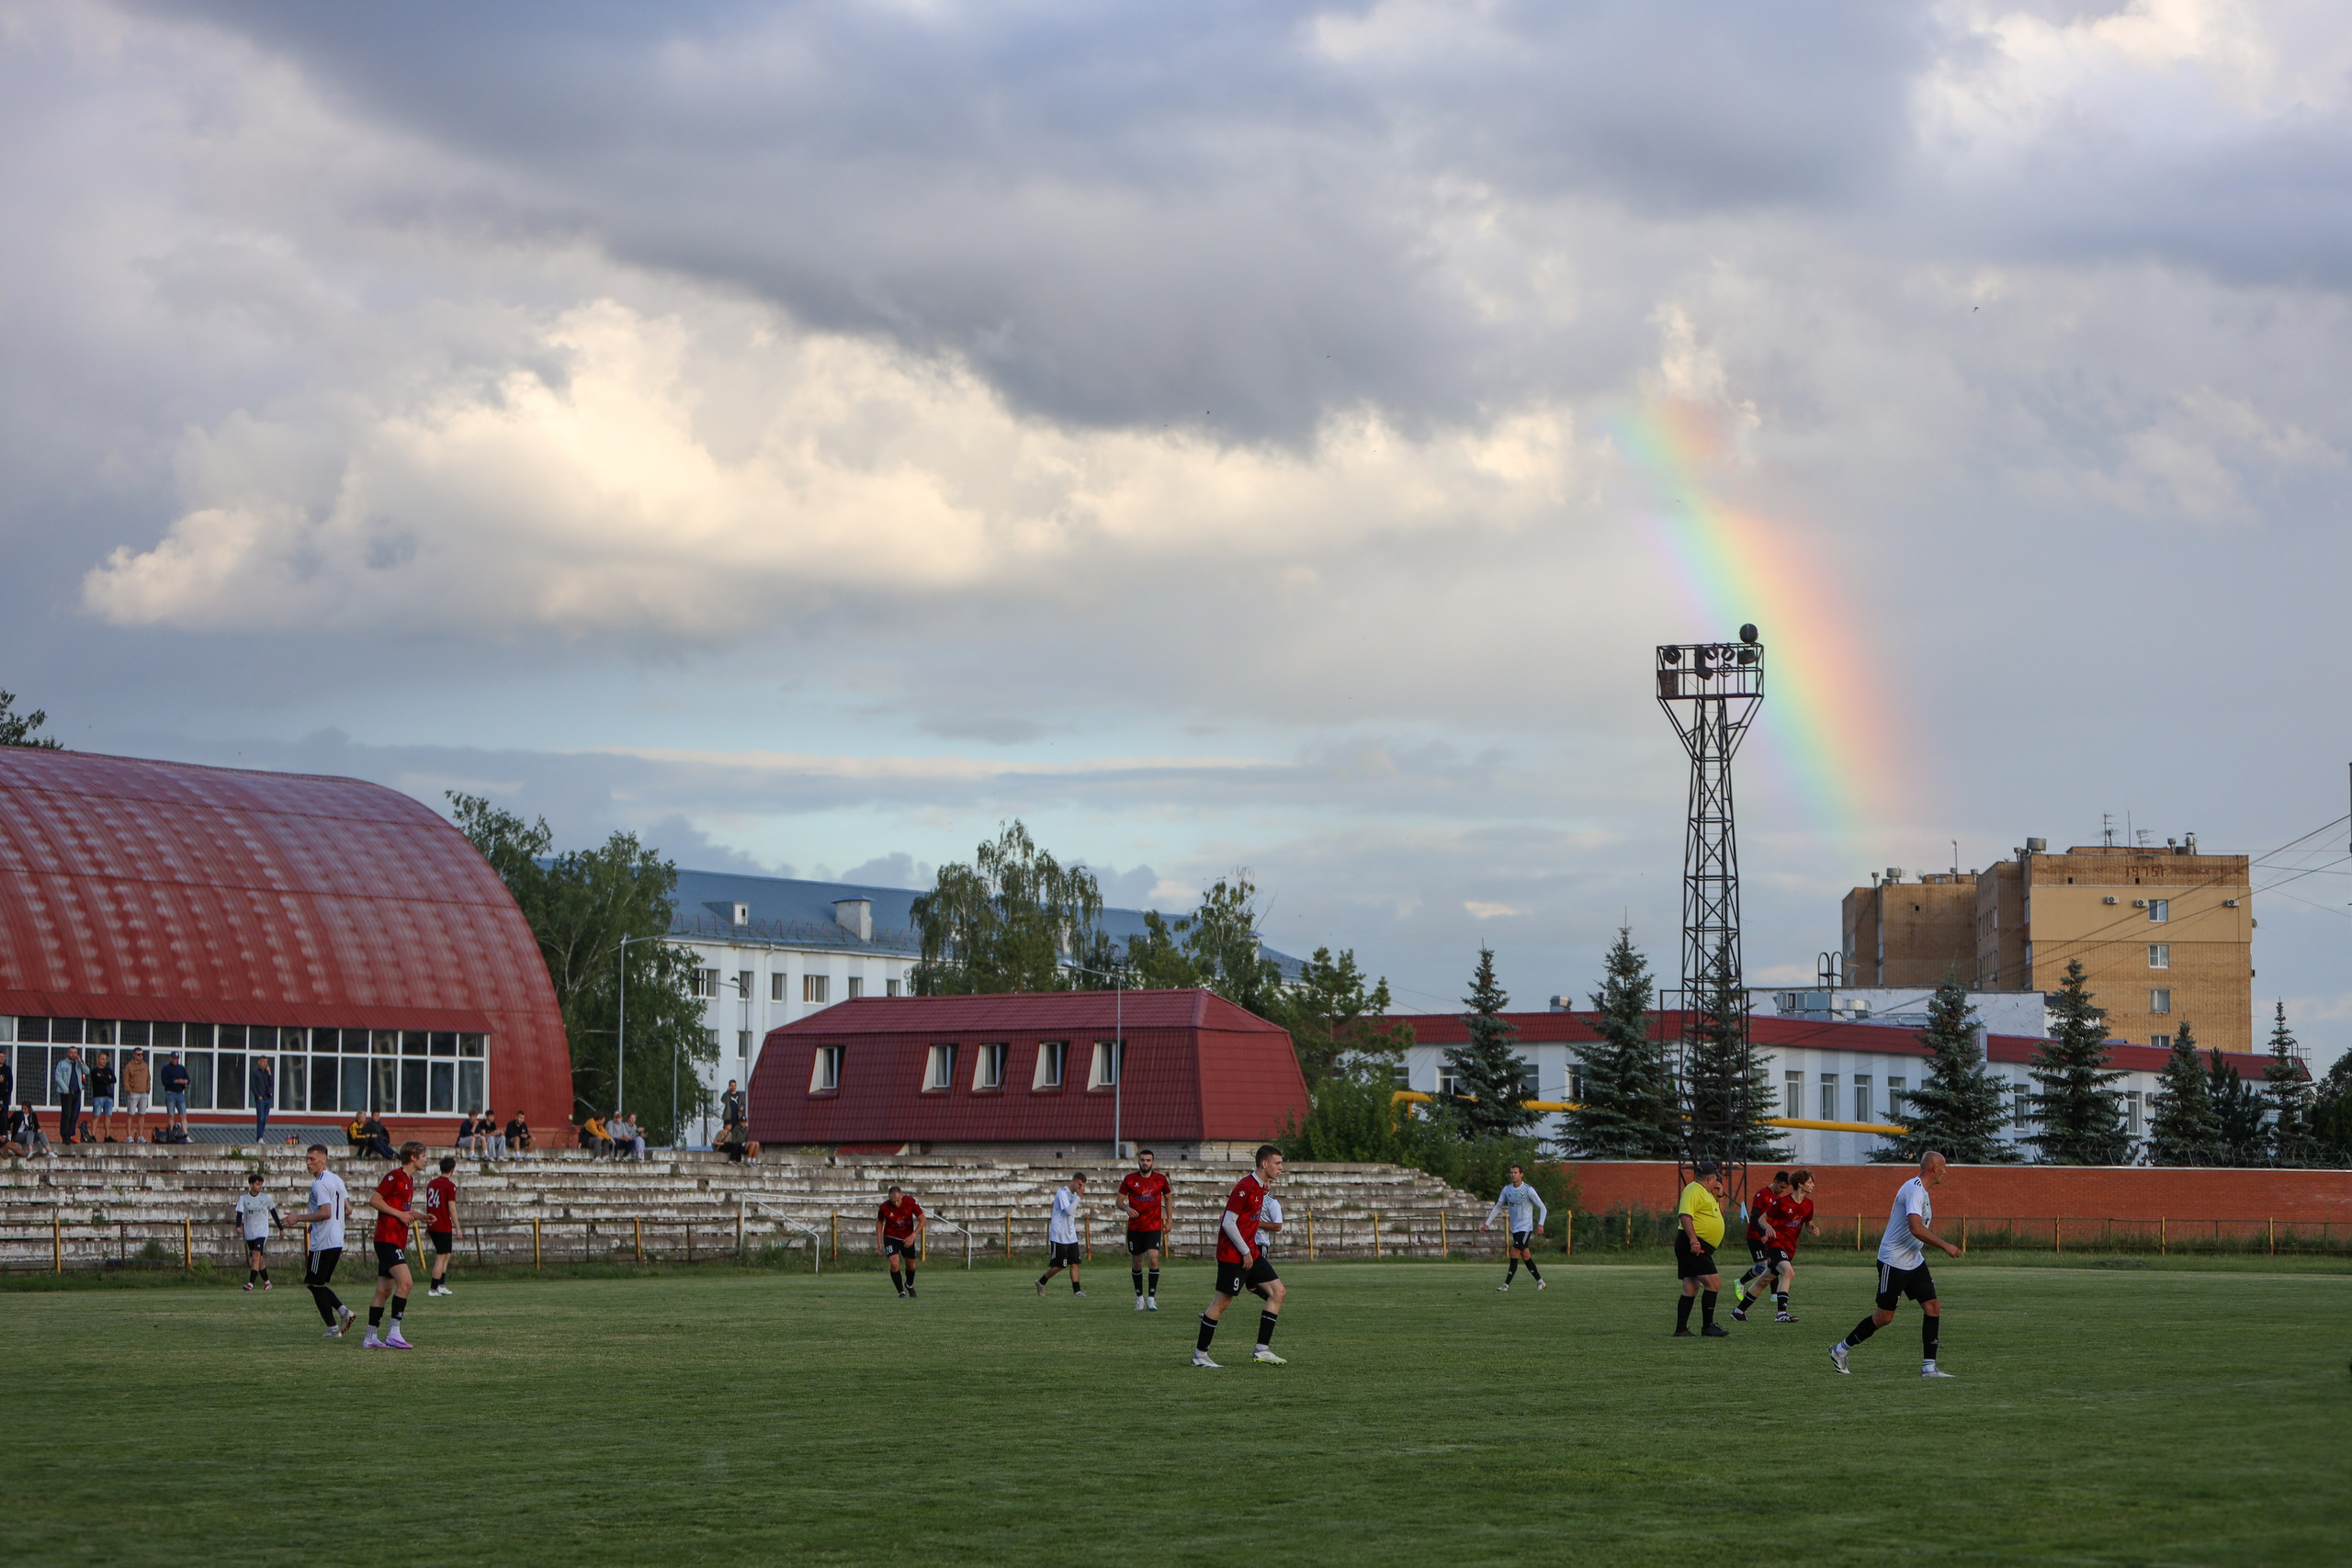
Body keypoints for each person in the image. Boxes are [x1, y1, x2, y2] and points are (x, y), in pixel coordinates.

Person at [1832, 1151, 1963, 1379]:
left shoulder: (1921, 1191)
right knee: (1884, 1317)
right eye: (1943, 1167)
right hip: (1893, 1262)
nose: (1945, 1171)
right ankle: (1840, 1349)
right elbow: (1915, 1227)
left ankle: (1929, 1368)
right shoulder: (1914, 1190)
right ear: (1933, 1168)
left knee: (1932, 1306)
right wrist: (1945, 1245)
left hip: (1913, 1260)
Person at [1194, 1143, 1287, 1367]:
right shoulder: (1244, 1187)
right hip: (1233, 1254)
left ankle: (1262, 1349)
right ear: (1264, 1164)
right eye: (1278, 1163)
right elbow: (1228, 1222)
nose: (1281, 1167)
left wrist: (1250, 1251)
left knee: (1278, 1292)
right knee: (1222, 1302)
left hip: (1251, 1253)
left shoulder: (1260, 1187)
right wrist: (1245, 1251)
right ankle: (1200, 1355)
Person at [362, 1141, 429, 1349]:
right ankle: (394, 1333)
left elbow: (402, 1209)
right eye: (424, 1156)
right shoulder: (395, 1177)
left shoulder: (409, 1181)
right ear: (413, 1158)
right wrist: (400, 1214)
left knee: (384, 1290)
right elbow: (375, 1200)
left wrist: (418, 1216)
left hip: (394, 1240)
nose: (426, 1160)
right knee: (406, 1283)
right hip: (387, 1240)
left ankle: (371, 1337)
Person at [288, 1144, 357, 1339]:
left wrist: (299, 1218)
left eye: (312, 1159)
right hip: (336, 1240)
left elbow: (326, 1212)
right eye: (307, 1159)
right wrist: (331, 1222)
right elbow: (348, 1209)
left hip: (323, 1242)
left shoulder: (319, 1183)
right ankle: (343, 1312)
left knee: (314, 1284)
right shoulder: (336, 1179)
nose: (308, 1163)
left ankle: (334, 1328)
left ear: (323, 1159)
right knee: (317, 1284)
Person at [1738, 1168, 1820, 1322]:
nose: (1813, 1185)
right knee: (1788, 1273)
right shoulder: (1782, 1202)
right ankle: (1781, 1313)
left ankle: (1738, 1311)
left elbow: (1808, 1225)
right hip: (1775, 1245)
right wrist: (1767, 1228)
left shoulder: (1809, 1204)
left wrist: (1813, 1230)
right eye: (1810, 1182)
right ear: (1800, 1184)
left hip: (1790, 1248)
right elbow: (1762, 1219)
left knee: (1764, 1280)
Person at [1674, 1159, 1730, 1338]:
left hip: (1697, 1243)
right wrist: (1693, 1241)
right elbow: (1685, 1216)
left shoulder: (1707, 1193)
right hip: (1694, 1243)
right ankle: (1708, 1326)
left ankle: (1681, 1329)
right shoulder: (1693, 1190)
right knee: (1713, 1282)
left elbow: (1720, 1215)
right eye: (1716, 1180)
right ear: (1710, 1179)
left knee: (1691, 1286)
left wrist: (1719, 1196)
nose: (1717, 1183)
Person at [1729, 1170, 1792, 1319]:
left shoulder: (1777, 1197)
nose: (1782, 1191)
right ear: (1775, 1181)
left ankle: (1774, 1295)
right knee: (1761, 1267)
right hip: (1755, 1237)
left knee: (1773, 1264)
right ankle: (1740, 1282)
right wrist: (1763, 1234)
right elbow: (1755, 1217)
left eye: (1785, 1189)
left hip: (1768, 1237)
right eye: (1782, 1187)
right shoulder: (1762, 1194)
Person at [1481, 1162, 1550, 1292]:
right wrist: (1487, 1223)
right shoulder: (1507, 1190)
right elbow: (1498, 1206)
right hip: (1516, 1228)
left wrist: (1541, 1224)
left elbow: (1543, 1207)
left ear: (1521, 1174)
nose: (1513, 1175)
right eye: (1511, 1172)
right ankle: (1541, 1282)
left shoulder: (1528, 1190)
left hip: (1526, 1228)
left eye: (1515, 1172)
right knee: (1525, 1256)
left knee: (1514, 1253)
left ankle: (1506, 1285)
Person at [1119, 1149, 1172, 1312]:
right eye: (1142, 1160)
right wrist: (1127, 1208)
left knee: (1154, 1259)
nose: (1145, 1163)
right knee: (1137, 1262)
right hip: (1135, 1228)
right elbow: (1119, 1201)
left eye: (1148, 1160)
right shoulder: (1130, 1179)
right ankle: (1139, 1298)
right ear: (1139, 1162)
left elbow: (1168, 1198)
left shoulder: (1161, 1180)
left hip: (1153, 1227)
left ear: (1153, 1162)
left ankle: (1151, 1298)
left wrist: (1169, 1220)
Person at [1036, 1173, 1088, 1296]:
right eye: (1079, 1185)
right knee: (1059, 1265)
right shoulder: (1062, 1193)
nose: (1081, 1188)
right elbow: (1069, 1212)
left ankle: (1077, 1291)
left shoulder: (1074, 1195)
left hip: (1070, 1235)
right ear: (1073, 1181)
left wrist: (1077, 1197)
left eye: (1083, 1186)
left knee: (1075, 1262)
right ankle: (1041, 1281)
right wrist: (1079, 1198)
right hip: (1059, 1235)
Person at [876, 1184, 926, 1298]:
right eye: (893, 1201)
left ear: (902, 1195)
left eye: (898, 1200)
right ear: (889, 1199)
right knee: (894, 1264)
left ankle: (909, 1285)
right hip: (891, 1237)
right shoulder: (884, 1207)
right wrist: (878, 1241)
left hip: (907, 1237)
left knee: (911, 1266)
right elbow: (879, 1222)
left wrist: (913, 1235)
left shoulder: (910, 1202)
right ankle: (901, 1292)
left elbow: (923, 1220)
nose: (896, 1204)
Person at [234, 1169, 280, 1291]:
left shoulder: (266, 1198)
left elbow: (273, 1213)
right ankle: (267, 1283)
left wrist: (281, 1228)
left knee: (255, 1256)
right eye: (257, 1184)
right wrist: (238, 1226)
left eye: (261, 1184)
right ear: (251, 1185)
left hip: (262, 1231)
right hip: (250, 1232)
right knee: (259, 1259)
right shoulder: (243, 1199)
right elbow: (239, 1214)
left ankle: (250, 1284)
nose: (260, 1187)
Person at [424, 1156, 461, 1297]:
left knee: (447, 1254)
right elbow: (452, 1209)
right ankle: (433, 1289)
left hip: (434, 1224)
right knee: (441, 1256)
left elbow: (429, 1205)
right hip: (442, 1225)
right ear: (452, 1169)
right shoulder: (449, 1186)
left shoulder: (432, 1183)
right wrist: (458, 1227)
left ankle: (441, 1285)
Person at [53, 1047, 87, 1145]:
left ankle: (71, 1135)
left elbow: (87, 1071)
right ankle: (65, 1136)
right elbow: (58, 1078)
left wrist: (81, 1062)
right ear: (68, 1053)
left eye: (75, 1053)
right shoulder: (62, 1064)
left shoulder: (79, 1064)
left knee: (74, 1115)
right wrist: (66, 1089)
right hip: (66, 1093)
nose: (73, 1054)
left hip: (77, 1092)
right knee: (66, 1115)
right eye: (71, 1052)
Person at [122, 1047, 152, 1143]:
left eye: (142, 1054)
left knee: (142, 1114)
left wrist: (148, 1088)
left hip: (144, 1093)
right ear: (134, 1055)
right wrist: (129, 1091)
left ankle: (140, 1136)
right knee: (130, 1114)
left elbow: (148, 1077)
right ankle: (129, 1136)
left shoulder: (145, 1065)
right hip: (133, 1093)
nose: (140, 1056)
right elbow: (125, 1080)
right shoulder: (129, 1066)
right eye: (138, 1054)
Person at [159, 1049, 190, 1136]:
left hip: (180, 1093)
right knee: (171, 1115)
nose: (175, 1060)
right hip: (170, 1094)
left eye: (177, 1058)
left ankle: (185, 1134)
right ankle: (172, 1134)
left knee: (183, 1115)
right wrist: (175, 1081)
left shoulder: (181, 1068)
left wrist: (184, 1081)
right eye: (174, 1058)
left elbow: (188, 1079)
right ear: (170, 1058)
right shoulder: (165, 1069)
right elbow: (164, 1082)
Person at [89, 1051, 118, 1143]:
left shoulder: (109, 1070)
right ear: (98, 1060)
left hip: (108, 1097)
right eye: (102, 1059)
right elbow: (98, 1079)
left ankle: (107, 1136)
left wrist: (104, 1078)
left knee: (108, 1116)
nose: (104, 1061)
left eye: (105, 1059)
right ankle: (92, 1135)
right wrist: (106, 1078)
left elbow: (114, 1079)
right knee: (96, 1116)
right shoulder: (94, 1071)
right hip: (98, 1097)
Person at [250, 1055, 274, 1143]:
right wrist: (258, 1096)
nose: (265, 1064)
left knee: (265, 1119)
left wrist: (270, 1073)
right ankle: (259, 1137)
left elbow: (271, 1084)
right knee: (260, 1118)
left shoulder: (267, 1073)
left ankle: (261, 1136)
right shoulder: (255, 1073)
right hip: (260, 1099)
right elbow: (252, 1085)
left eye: (266, 1062)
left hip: (267, 1098)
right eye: (263, 1062)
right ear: (259, 1062)